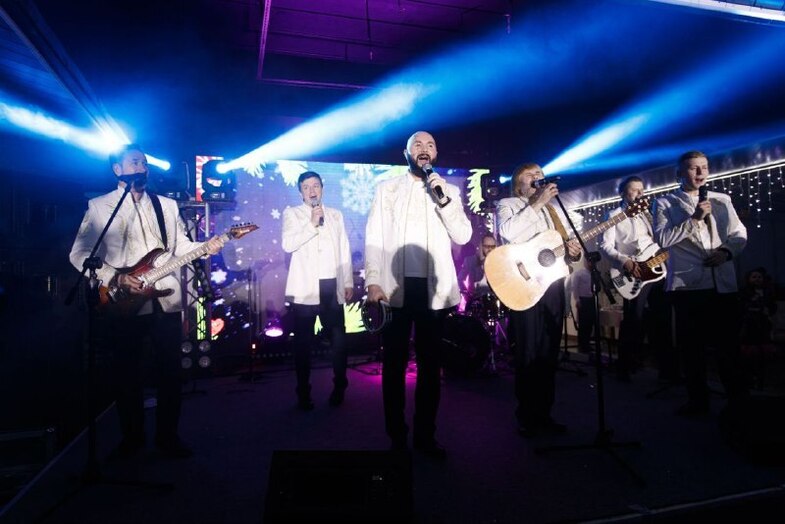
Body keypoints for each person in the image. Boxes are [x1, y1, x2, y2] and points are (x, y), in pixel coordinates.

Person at [69, 144, 225, 459]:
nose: (141, 166)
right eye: (134, 162)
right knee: (127, 373)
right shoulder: (99, 207)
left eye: (143, 162)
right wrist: (114, 277)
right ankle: (132, 439)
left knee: (170, 372)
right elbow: (80, 253)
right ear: (117, 169)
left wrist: (205, 246)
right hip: (123, 299)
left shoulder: (166, 205)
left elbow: (180, 246)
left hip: (165, 298)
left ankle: (168, 437)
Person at [365, 131, 472, 458]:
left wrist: (444, 201)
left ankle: (426, 436)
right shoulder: (387, 189)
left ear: (435, 154)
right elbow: (374, 237)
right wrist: (372, 281)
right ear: (406, 153)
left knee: (430, 367)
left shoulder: (448, 190)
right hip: (395, 288)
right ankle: (396, 435)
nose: (424, 149)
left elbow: (463, 235)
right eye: (418, 145)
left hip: (433, 290)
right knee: (393, 366)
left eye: (430, 145)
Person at [653, 150, 748, 416]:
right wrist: (694, 218)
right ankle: (698, 402)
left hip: (723, 284)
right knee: (692, 349)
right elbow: (663, 239)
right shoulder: (665, 203)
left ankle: (738, 403)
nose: (700, 173)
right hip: (689, 287)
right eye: (693, 168)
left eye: (704, 167)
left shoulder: (722, 199)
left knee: (728, 348)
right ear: (680, 173)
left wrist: (726, 252)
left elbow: (739, 233)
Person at [496, 163, 582, 437]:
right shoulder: (508, 204)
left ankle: (545, 413)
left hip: (552, 285)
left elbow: (557, 249)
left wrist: (572, 251)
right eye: (530, 174)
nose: (537, 177)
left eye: (539, 174)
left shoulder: (552, 211)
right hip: (524, 285)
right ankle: (526, 414)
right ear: (517, 182)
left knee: (548, 352)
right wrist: (537, 202)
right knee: (529, 351)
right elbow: (509, 233)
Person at [282, 171, 354, 410]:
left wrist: (347, 282)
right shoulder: (292, 214)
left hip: (332, 284)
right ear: (300, 192)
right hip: (305, 287)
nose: (311, 191)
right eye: (306, 187)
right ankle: (303, 392)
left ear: (322, 188)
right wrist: (311, 223)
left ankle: (340, 385)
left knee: (338, 338)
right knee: (303, 342)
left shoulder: (335, 214)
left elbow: (344, 248)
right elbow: (288, 244)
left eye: (315, 186)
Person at [600, 176, 676, 383]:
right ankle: (624, 367)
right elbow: (605, 245)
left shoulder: (649, 214)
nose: (640, 194)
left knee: (662, 320)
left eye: (642, 190)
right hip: (633, 272)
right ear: (623, 193)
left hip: (657, 271)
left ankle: (667, 370)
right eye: (634, 190)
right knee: (634, 320)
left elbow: (659, 241)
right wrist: (624, 261)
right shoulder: (613, 215)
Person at [739, 267, 778, 389]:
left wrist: (768, 310)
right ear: (749, 279)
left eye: (759, 277)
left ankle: (761, 378)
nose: (757, 279)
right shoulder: (744, 292)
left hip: (763, 324)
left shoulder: (767, 292)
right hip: (749, 325)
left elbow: (773, 306)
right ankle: (749, 377)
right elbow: (740, 307)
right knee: (749, 353)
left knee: (763, 352)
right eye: (754, 277)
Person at [458, 233, 497, 317]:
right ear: (481, 247)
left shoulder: (499, 262)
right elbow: (460, 279)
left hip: (494, 302)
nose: (490, 249)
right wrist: (466, 293)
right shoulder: (470, 260)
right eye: (487, 246)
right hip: (475, 302)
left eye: (492, 246)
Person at [570, 256, 596, 355]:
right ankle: (582, 346)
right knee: (583, 324)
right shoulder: (579, 273)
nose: (592, 264)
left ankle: (587, 344)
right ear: (586, 262)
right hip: (583, 300)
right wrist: (577, 300)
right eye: (590, 262)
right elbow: (574, 287)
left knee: (590, 323)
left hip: (591, 300)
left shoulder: (593, 274)